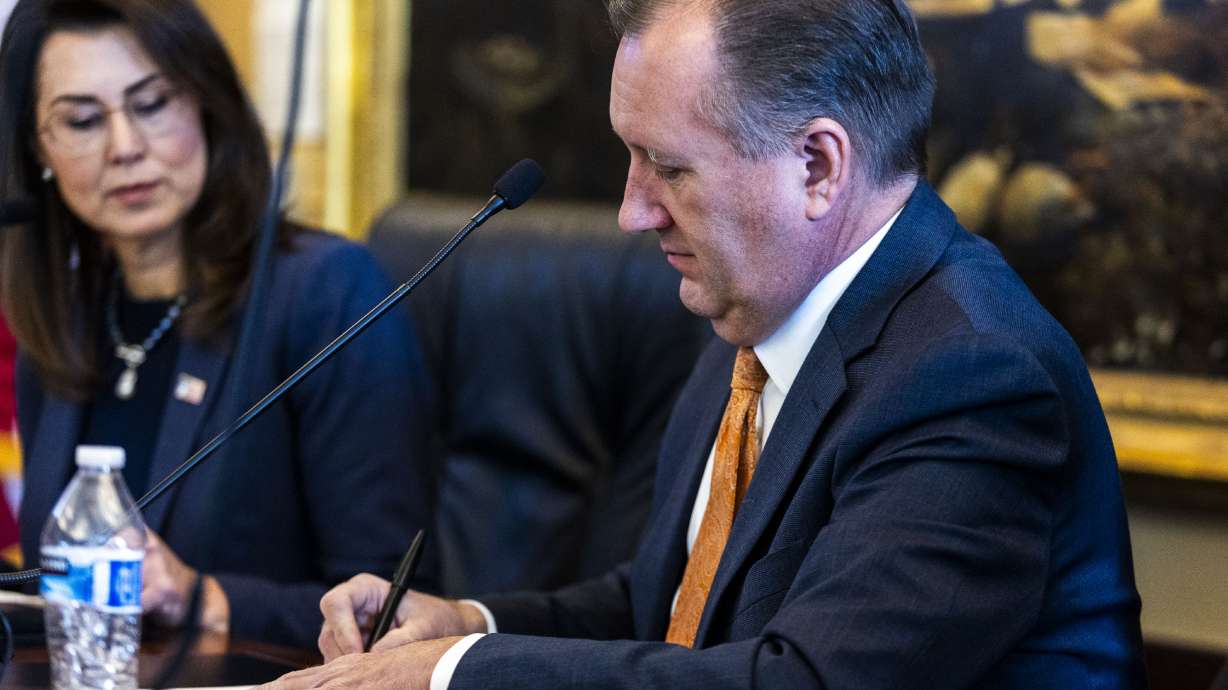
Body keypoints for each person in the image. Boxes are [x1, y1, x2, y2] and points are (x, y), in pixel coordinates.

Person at [264, 0, 1146, 686]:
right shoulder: (754, 318)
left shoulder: (972, 374)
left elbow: (804, 681)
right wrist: (466, 624)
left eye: (669, 166)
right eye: (631, 157)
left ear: (818, 166)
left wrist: (448, 677)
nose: (631, 211)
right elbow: (675, 609)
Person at [0, 0, 435, 648]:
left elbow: (394, 606)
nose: (125, 147)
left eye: (152, 105)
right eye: (83, 121)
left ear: (207, 104)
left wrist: (201, 597)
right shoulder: (63, 315)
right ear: (38, 148)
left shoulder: (328, 293)